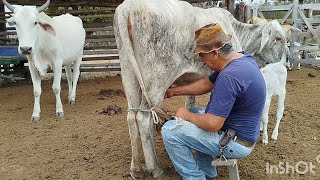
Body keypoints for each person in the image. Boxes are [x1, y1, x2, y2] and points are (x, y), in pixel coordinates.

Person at [161, 23, 266, 179]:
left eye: (202, 55)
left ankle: (195, 177)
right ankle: (208, 171)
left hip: (235, 142)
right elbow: (207, 84)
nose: (201, 60)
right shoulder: (242, 60)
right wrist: (173, 91)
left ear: (215, 52)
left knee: (170, 131)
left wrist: (185, 115)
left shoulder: (229, 77)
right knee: (196, 112)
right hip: (243, 131)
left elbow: (213, 124)